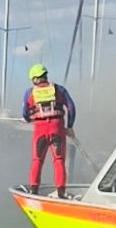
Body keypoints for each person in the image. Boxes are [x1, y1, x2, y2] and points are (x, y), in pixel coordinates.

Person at [22, 63, 76, 199]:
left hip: (40, 130)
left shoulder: (29, 93)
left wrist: (28, 119)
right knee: (58, 160)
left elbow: (25, 113)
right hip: (57, 128)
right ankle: (61, 192)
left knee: (37, 160)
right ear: (45, 76)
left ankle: (33, 190)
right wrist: (69, 126)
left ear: (34, 79)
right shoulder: (59, 89)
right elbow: (71, 108)